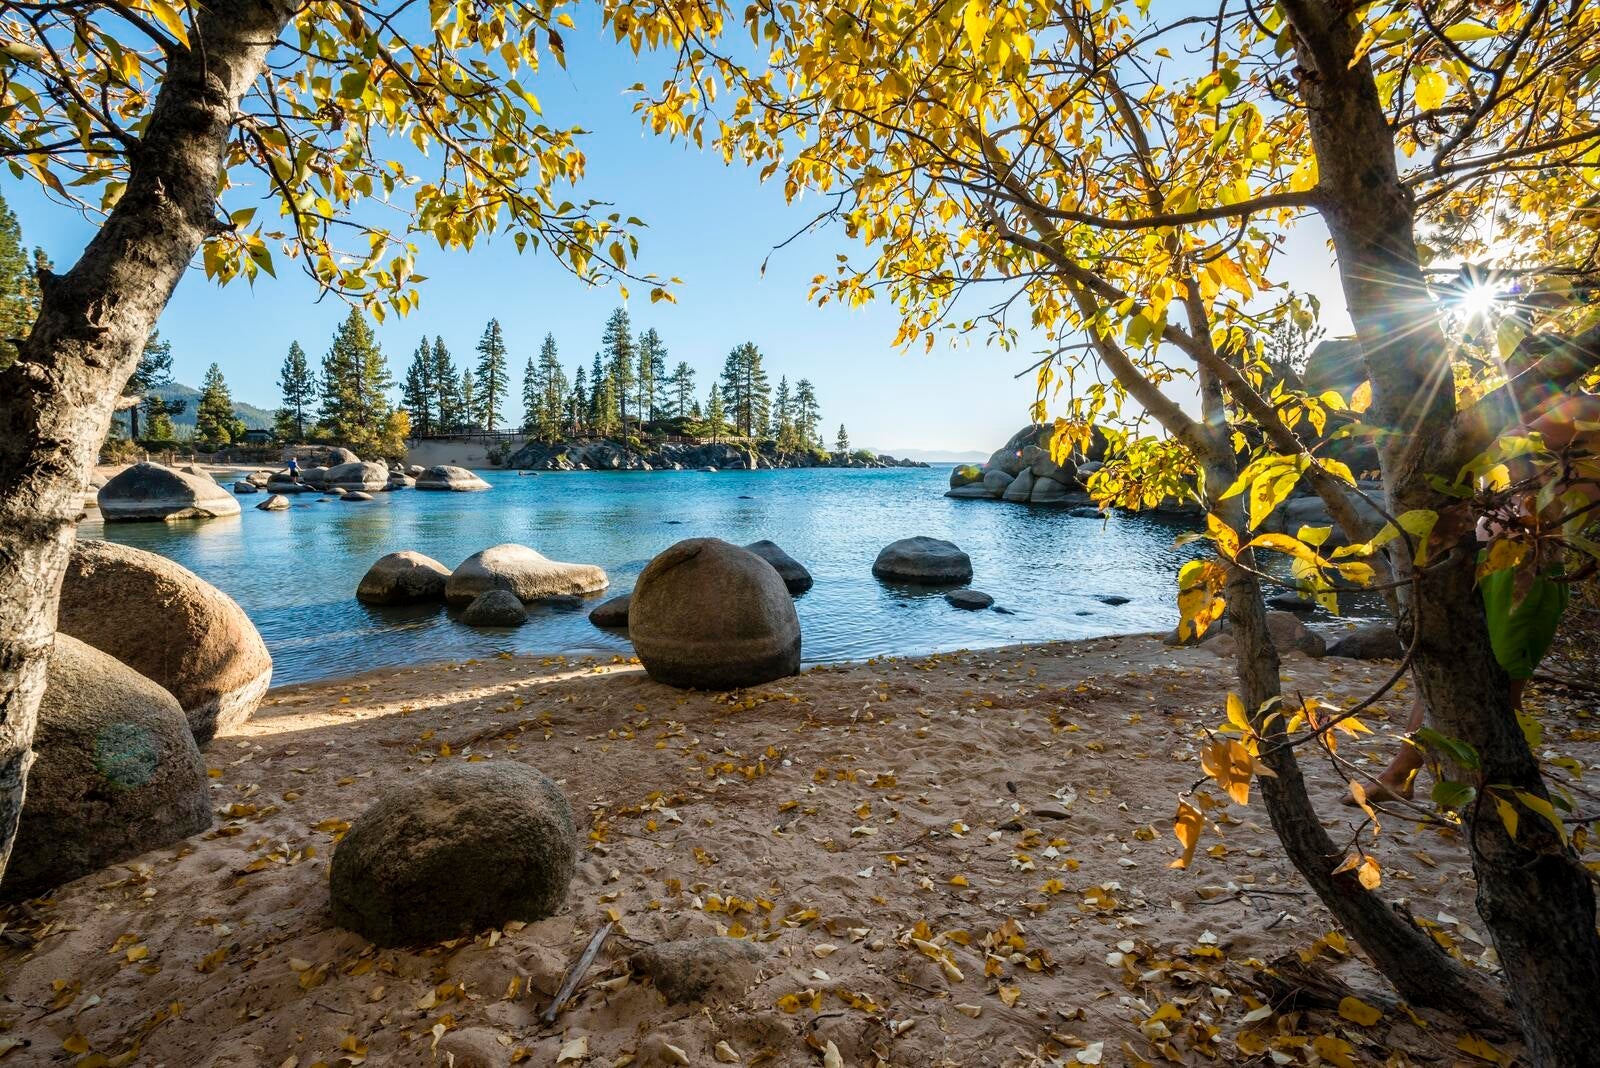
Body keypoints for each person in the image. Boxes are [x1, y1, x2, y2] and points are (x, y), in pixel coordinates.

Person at [1350, 389, 1600, 805]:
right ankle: (1400, 774)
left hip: (1528, 566)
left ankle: (1500, 793)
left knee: (1503, 688)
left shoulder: (1591, 408)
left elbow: (1510, 442)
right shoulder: (1573, 405)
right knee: (1444, 669)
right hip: (1487, 554)